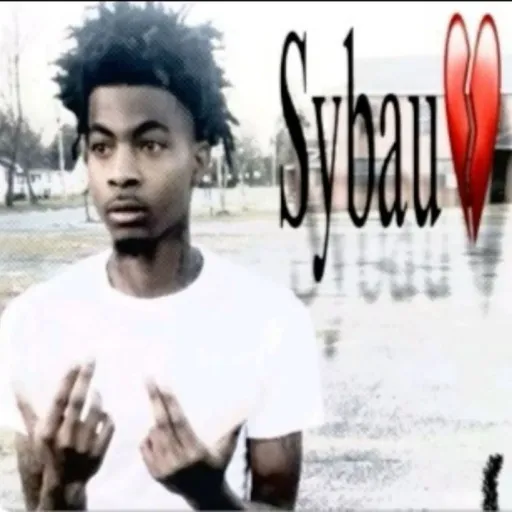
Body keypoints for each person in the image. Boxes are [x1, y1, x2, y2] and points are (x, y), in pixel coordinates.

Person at [0, 2, 324, 510]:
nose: (121, 173)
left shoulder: (270, 319)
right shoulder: (33, 322)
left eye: (150, 145)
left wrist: (209, 495)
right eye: (102, 147)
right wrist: (62, 488)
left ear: (200, 159)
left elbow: (276, 504)